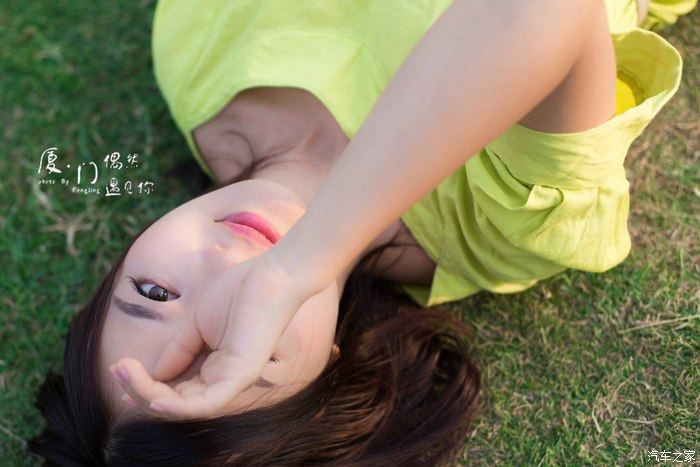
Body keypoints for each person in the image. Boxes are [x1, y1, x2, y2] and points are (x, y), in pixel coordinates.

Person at [30, 0, 693, 464]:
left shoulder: (190, 55)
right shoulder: (502, 225)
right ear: (328, 369)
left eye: (153, 292)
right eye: (246, 347)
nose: (228, 275)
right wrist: (300, 261)